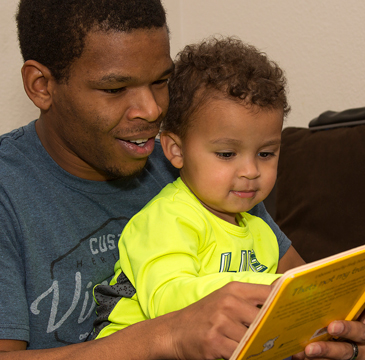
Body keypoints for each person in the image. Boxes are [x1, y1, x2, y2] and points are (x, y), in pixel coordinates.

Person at [0, 0, 365, 359]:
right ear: (42, 85)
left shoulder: (193, 160)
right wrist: (169, 333)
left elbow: (293, 285)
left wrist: (340, 324)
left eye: (161, 81)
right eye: (116, 88)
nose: (152, 111)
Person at [92, 36, 287, 339]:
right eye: (226, 154)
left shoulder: (260, 233)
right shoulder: (167, 219)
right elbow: (167, 300)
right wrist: (261, 289)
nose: (250, 171)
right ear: (176, 150)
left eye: (265, 154)